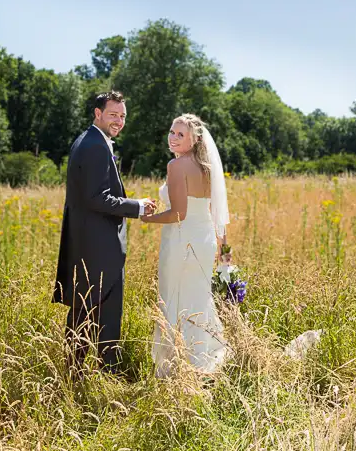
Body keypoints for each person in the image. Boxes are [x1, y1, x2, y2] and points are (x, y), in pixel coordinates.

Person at [53, 91, 156, 377]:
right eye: (113, 114)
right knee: (101, 317)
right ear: (97, 113)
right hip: (98, 250)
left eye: (123, 116)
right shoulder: (95, 146)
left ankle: (76, 374)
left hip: (90, 246)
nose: (119, 121)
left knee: (84, 314)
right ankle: (104, 376)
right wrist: (136, 206)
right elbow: (97, 197)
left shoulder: (89, 141)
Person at [140, 113, 230, 378]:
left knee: (175, 300)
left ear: (195, 138)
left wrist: (147, 218)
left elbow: (178, 214)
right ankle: (205, 356)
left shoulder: (176, 167)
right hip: (204, 244)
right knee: (198, 298)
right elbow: (219, 217)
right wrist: (227, 258)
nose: (173, 137)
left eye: (181, 134)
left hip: (181, 242)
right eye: (172, 132)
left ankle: (179, 365)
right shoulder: (208, 168)